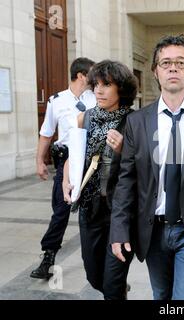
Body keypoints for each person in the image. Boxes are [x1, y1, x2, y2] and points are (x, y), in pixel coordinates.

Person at [110, 34, 184, 300]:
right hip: (152, 231)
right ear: (155, 71)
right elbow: (126, 180)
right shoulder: (137, 122)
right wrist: (118, 230)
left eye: (180, 62)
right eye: (165, 63)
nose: (173, 68)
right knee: (161, 295)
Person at [62, 60, 138, 299]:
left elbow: (147, 167)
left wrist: (123, 150)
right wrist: (66, 181)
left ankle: (116, 290)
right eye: (96, 84)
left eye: (107, 85)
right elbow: (72, 158)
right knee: (94, 277)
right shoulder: (84, 118)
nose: (99, 90)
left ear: (122, 89)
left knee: (112, 284)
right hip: (90, 208)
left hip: (122, 212)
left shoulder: (136, 122)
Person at [31, 57, 96, 280]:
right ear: (81, 75)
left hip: (92, 160)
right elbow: (47, 132)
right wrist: (40, 160)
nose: (95, 77)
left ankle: (108, 269)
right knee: (61, 210)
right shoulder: (56, 101)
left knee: (96, 211)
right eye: (92, 73)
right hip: (66, 160)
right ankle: (48, 258)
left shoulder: (96, 97)